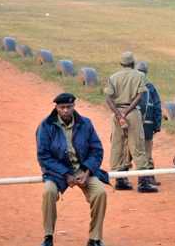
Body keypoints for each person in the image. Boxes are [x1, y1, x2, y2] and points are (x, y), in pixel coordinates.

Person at [36, 93, 109, 246]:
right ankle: (48, 237)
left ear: (74, 106)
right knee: (48, 192)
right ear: (56, 108)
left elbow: (97, 150)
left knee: (100, 192)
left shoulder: (86, 123)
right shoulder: (46, 126)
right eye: (62, 107)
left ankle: (95, 238)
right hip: (57, 173)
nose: (65, 111)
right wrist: (65, 173)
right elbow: (43, 156)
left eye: (69, 107)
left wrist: (87, 171)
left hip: (83, 170)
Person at [104, 51, 157, 193]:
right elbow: (140, 97)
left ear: (121, 64)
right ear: (133, 63)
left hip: (116, 114)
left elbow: (108, 98)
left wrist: (118, 114)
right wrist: (126, 113)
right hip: (132, 113)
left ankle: (120, 179)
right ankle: (143, 182)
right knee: (137, 145)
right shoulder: (139, 76)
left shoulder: (113, 77)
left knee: (118, 145)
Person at [135, 61, 163, 186]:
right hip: (147, 125)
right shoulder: (150, 87)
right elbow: (157, 106)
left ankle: (123, 177)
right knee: (147, 152)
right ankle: (148, 177)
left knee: (132, 151)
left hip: (135, 126)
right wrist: (157, 125)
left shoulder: (132, 85)